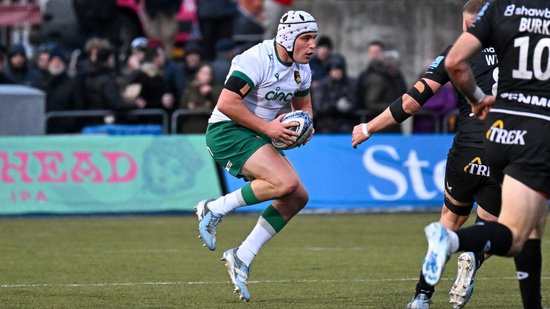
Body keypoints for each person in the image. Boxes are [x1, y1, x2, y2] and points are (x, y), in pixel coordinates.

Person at [351, 1, 537, 308]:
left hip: (466, 150)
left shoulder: (456, 53)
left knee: (448, 223)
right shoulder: (519, 52)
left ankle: (422, 297)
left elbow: (412, 103)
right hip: (505, 150)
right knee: (490, 227)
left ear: (466, 26)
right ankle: (473, 258)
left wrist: (368, 128)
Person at [419, 1, 550, 308]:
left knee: (533, 226)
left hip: (499, 130)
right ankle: (451, 240)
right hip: (538, 133)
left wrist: (477, 100)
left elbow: (454, 62)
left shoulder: (498, 9)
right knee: (516, 234)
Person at [193, 10, 317, 302]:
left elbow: (305, 109)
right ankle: (215, 207)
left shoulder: (302, 69)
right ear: (288, 37)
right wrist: (270, 128)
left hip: (256, 134)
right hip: (227, 131)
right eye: (307, 38)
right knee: (285, 183)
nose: (312, 45)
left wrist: (305, 127)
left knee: (298, 196)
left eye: (314, 38)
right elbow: (226, 103)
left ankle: (242, 256)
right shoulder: (256, 59)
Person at [355, 41, 407, 133]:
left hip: (392, 122)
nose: (375, 55)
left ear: (383, 53)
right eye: (372, 52)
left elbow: (403, 92)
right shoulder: (365, 76)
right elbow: (367, 102)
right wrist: (394, 107)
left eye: (377, 52)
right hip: (373, 123)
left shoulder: (395, 74)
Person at [312, 54, 356, 133]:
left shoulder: (351, 84)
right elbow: (318, 106)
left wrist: (348, 106)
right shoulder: (322, 85)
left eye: (339, 69)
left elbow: (355, 102)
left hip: (346, 125)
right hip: (325, 126)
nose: (336, 72)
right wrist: (335, 105)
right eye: (334, 69)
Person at [179, 62, 222, 133]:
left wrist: (210, 94)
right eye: (204, 73)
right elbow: (183, 107)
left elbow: (219, 106)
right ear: (197, 74)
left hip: (209, 128)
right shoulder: (190, 89)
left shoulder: (217, 89)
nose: (207, 76)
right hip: (191, 128)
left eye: (209, 74)